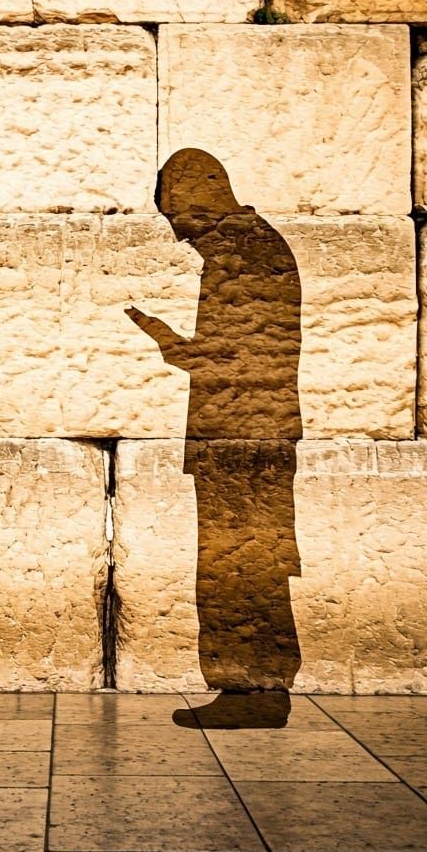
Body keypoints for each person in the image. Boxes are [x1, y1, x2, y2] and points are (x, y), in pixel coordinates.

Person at [127, 148, 302, 728]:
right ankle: (254, 688)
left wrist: (172, 345)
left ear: (200, 197)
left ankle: (253, 691)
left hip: (242, 437)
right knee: (248, 559)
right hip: (246, 433)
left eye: (180, 221)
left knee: (240, 561)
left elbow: (240, 357)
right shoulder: (247, 247)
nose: (180, 237)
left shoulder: (243, 251)